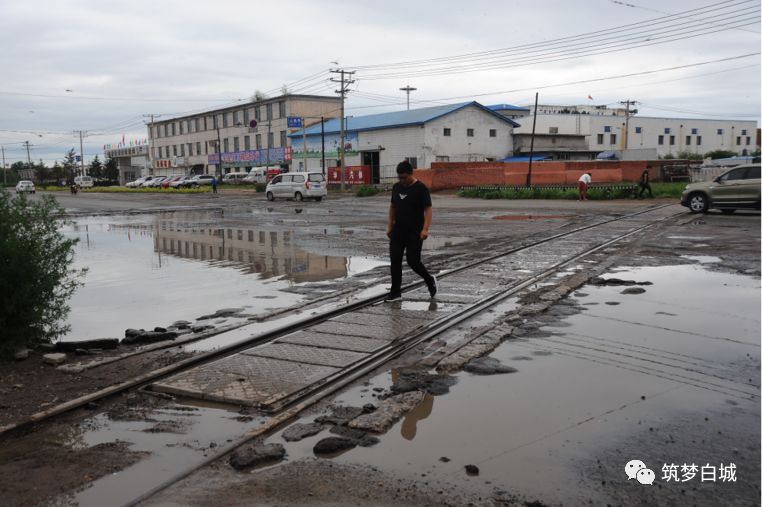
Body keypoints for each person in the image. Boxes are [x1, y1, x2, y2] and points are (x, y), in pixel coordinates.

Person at [386, 161, 437, 301]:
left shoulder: (421, 188)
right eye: (399, 177)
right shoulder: (396, 187)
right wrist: (390, 226)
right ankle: (395, 292)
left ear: (411, 174)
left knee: (413, 261)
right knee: (395, 261)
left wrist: (425, 229)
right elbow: (392, 207)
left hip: (414, 232)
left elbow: (428, 209)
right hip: (397, 232)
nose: (402, 180)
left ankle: (429, 279)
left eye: (404, 177)